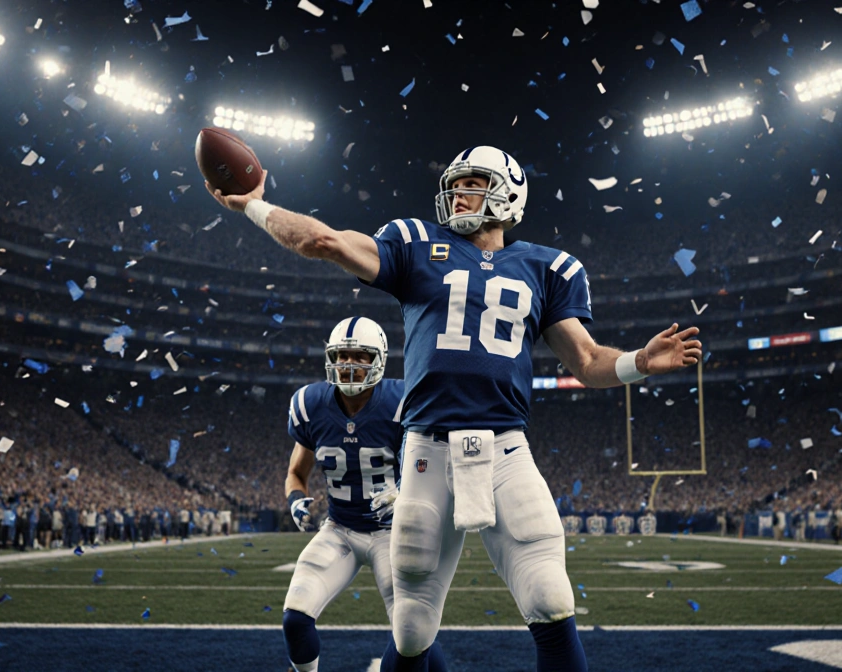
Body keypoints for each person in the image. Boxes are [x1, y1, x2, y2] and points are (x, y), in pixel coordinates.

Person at [209, 145, 702, 672]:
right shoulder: (416, 243)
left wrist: (638, 363)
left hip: (506, 451)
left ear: (509, 194)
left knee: (552, 601)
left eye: (472, 183)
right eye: (455, 182)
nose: (457, 193)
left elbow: (585, 360)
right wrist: (254, 205)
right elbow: (322, 241)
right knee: (413, 629)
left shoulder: (547, 267)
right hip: (428, 454)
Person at [280, 317, 447, 672]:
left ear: (379, 361)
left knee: (413, 634)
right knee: (295, 619)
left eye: (360, 356)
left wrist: (405, 492)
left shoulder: (402, 401)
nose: (349, 365)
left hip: (393, 533)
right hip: (340, 528)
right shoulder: (311, 405)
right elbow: (296, 473)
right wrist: (297, 500)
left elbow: (433, 467)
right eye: (342, 356)